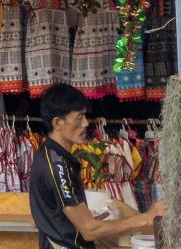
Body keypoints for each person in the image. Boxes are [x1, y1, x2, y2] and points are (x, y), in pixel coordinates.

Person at [29, 83, 165, 249]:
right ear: (58, 122)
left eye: (85, 116)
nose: (86, 123)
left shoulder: (49, 155)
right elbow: (89, 230)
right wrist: (146, 217)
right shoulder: (57, 166)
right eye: (79, 118)